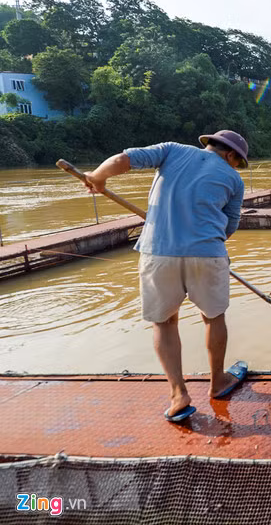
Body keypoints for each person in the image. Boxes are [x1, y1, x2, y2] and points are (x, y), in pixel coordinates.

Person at [83, 130, 250, 422]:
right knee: (214, 317)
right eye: (238, 162)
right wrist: (206, 241)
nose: (236, 167)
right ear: (230, 155)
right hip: (208, 253)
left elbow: (123, 160)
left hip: (158, 252)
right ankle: (218, 382)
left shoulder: (172, 150)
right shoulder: (234, 180)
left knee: (164, 322)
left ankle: (178, 395)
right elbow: (229, 226)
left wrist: (97, 177)